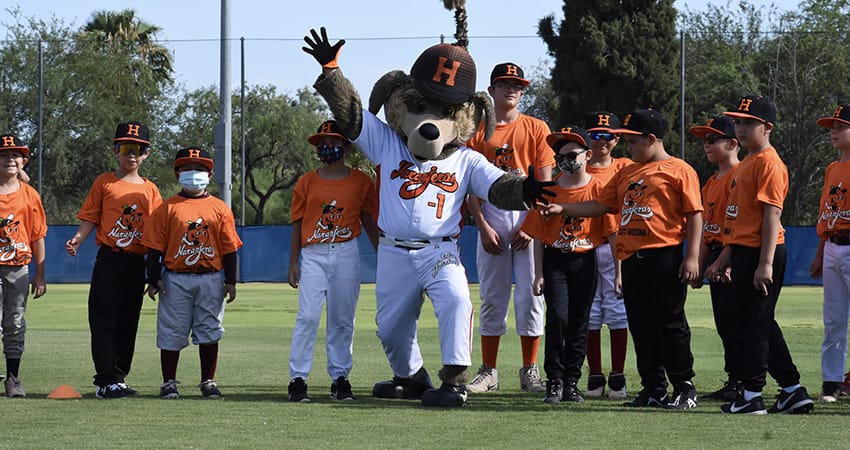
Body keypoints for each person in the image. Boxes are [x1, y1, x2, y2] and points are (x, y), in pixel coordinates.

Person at [540, 108, 703, 410]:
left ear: (652, 139)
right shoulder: (627, 171)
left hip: (664, 255)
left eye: (633, 141)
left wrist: (692, 256)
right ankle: (653, 388)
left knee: (670, 323)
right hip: (631, 258)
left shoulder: (679, 169)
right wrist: (564, 209)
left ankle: (684, 386)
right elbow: (601, 204)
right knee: (641, 325)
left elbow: (695, 214)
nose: (628, 147)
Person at [707, 95, 814, 414]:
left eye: (748, 122)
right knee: (757, 321)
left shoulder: (769, 163)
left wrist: (765, 263)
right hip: (744, 251)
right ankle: (792, 389)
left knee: (754, 322)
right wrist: (724, 259)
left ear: (767, 127)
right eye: (738, 122)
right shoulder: (750, 162)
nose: (740, 128)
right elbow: (740, 220)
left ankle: (752, 394)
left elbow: (770, 217)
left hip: (762, 252)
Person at [465, 62, 554, 393]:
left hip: (528, 216)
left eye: (517, 84)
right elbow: (469, 184)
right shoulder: (477, 131)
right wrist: (483, 226)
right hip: (491, 214)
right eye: (504, 84)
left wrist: (531, 226)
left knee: (532, 297)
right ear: (491, 90)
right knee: (492, 296)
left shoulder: (535, 128)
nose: (512, 89)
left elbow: (544, 184)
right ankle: (489, 371)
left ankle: (530, 370)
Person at [66, 121, 162, 399]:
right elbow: (91, 217)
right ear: (115, 150)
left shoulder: (150, 190)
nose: (131, 154)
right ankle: (105, 378)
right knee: (104, 317)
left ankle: (118, 377)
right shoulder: (104, 182)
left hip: (137, 261)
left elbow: (157, 230)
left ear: (146, 153)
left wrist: (155, 271)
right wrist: (78, 239)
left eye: (138, 149)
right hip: (110, 258)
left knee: (128, 320)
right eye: (125, 148)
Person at [286, 120, 379, 403]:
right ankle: (298, 378)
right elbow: (297, 222)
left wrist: (383, 257)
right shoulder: (307, 181)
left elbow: (368, 219)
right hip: (313, 253)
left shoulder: (361, 181)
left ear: (347, 146)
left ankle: (340, 378)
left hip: (346, 250)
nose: (327, 148)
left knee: (342, 319)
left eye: (334, 142)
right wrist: (293, 262)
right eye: (322, 144)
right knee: (308, 316)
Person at [522, 127, 615, 403]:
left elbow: (611, 232)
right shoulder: (549, 189)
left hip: (585, 259)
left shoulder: (598, 188)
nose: (565, 160)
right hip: (556, 260)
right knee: (558, 318)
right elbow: (538, 236)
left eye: (572, 154)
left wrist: (619, 273)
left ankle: (572, 381)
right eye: (559, 155)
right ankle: (555, 380)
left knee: (579, 321)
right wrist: (538, 273)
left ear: (587, 155)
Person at [143, 147, 243, 400]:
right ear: (177, 174)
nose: (193, 174)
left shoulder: (219, 208)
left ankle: (208, 381)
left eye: (199, 169)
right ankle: (168, 382)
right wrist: (153, 278)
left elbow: (230, 247)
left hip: (210, 277)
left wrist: (230, 280)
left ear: (210, 175)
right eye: (187, 169)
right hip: (175, 278)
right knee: (171, 331)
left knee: (209, 329)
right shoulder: (168, 208)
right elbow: (155, 247)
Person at [687, 116, 741, 401]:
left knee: (736, 321)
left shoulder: (740, 175)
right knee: (723, 322)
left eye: (713, 139)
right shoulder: (711, 181)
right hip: (717, 253)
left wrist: (727, 260)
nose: (706, 144)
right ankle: (734, 379)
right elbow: (708, 229)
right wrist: (699, 264)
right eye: (704, 139)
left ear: (733, 143)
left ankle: (744, 380)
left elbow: (742, 226)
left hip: (736, 253)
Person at [582, 111, 631, 399]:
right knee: (591, 313)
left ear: (617, 139)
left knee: (616, 312)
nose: (601, 140)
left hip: (618, 247)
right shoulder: (578, 167)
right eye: (595, 134)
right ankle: (595, 376)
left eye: (607, 135)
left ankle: (617, 377)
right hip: (586, 246)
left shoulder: (625, 167)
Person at [0, 134, 47, 397]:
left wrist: (40, 275)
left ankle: (13, 378)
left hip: (18, 267)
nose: (10, 159)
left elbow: (38, 235)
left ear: (24, 161)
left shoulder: (29, 195)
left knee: (15, 323)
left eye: (15, 155)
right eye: (4, 154)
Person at [809, 103, 850, 403]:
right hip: (834, 244)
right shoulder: (832, 168)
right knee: (833, 319)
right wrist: (821, 253)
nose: (833, 131)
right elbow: (826, 213)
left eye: (840, 126)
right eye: (832, 127)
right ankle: (832, 381)